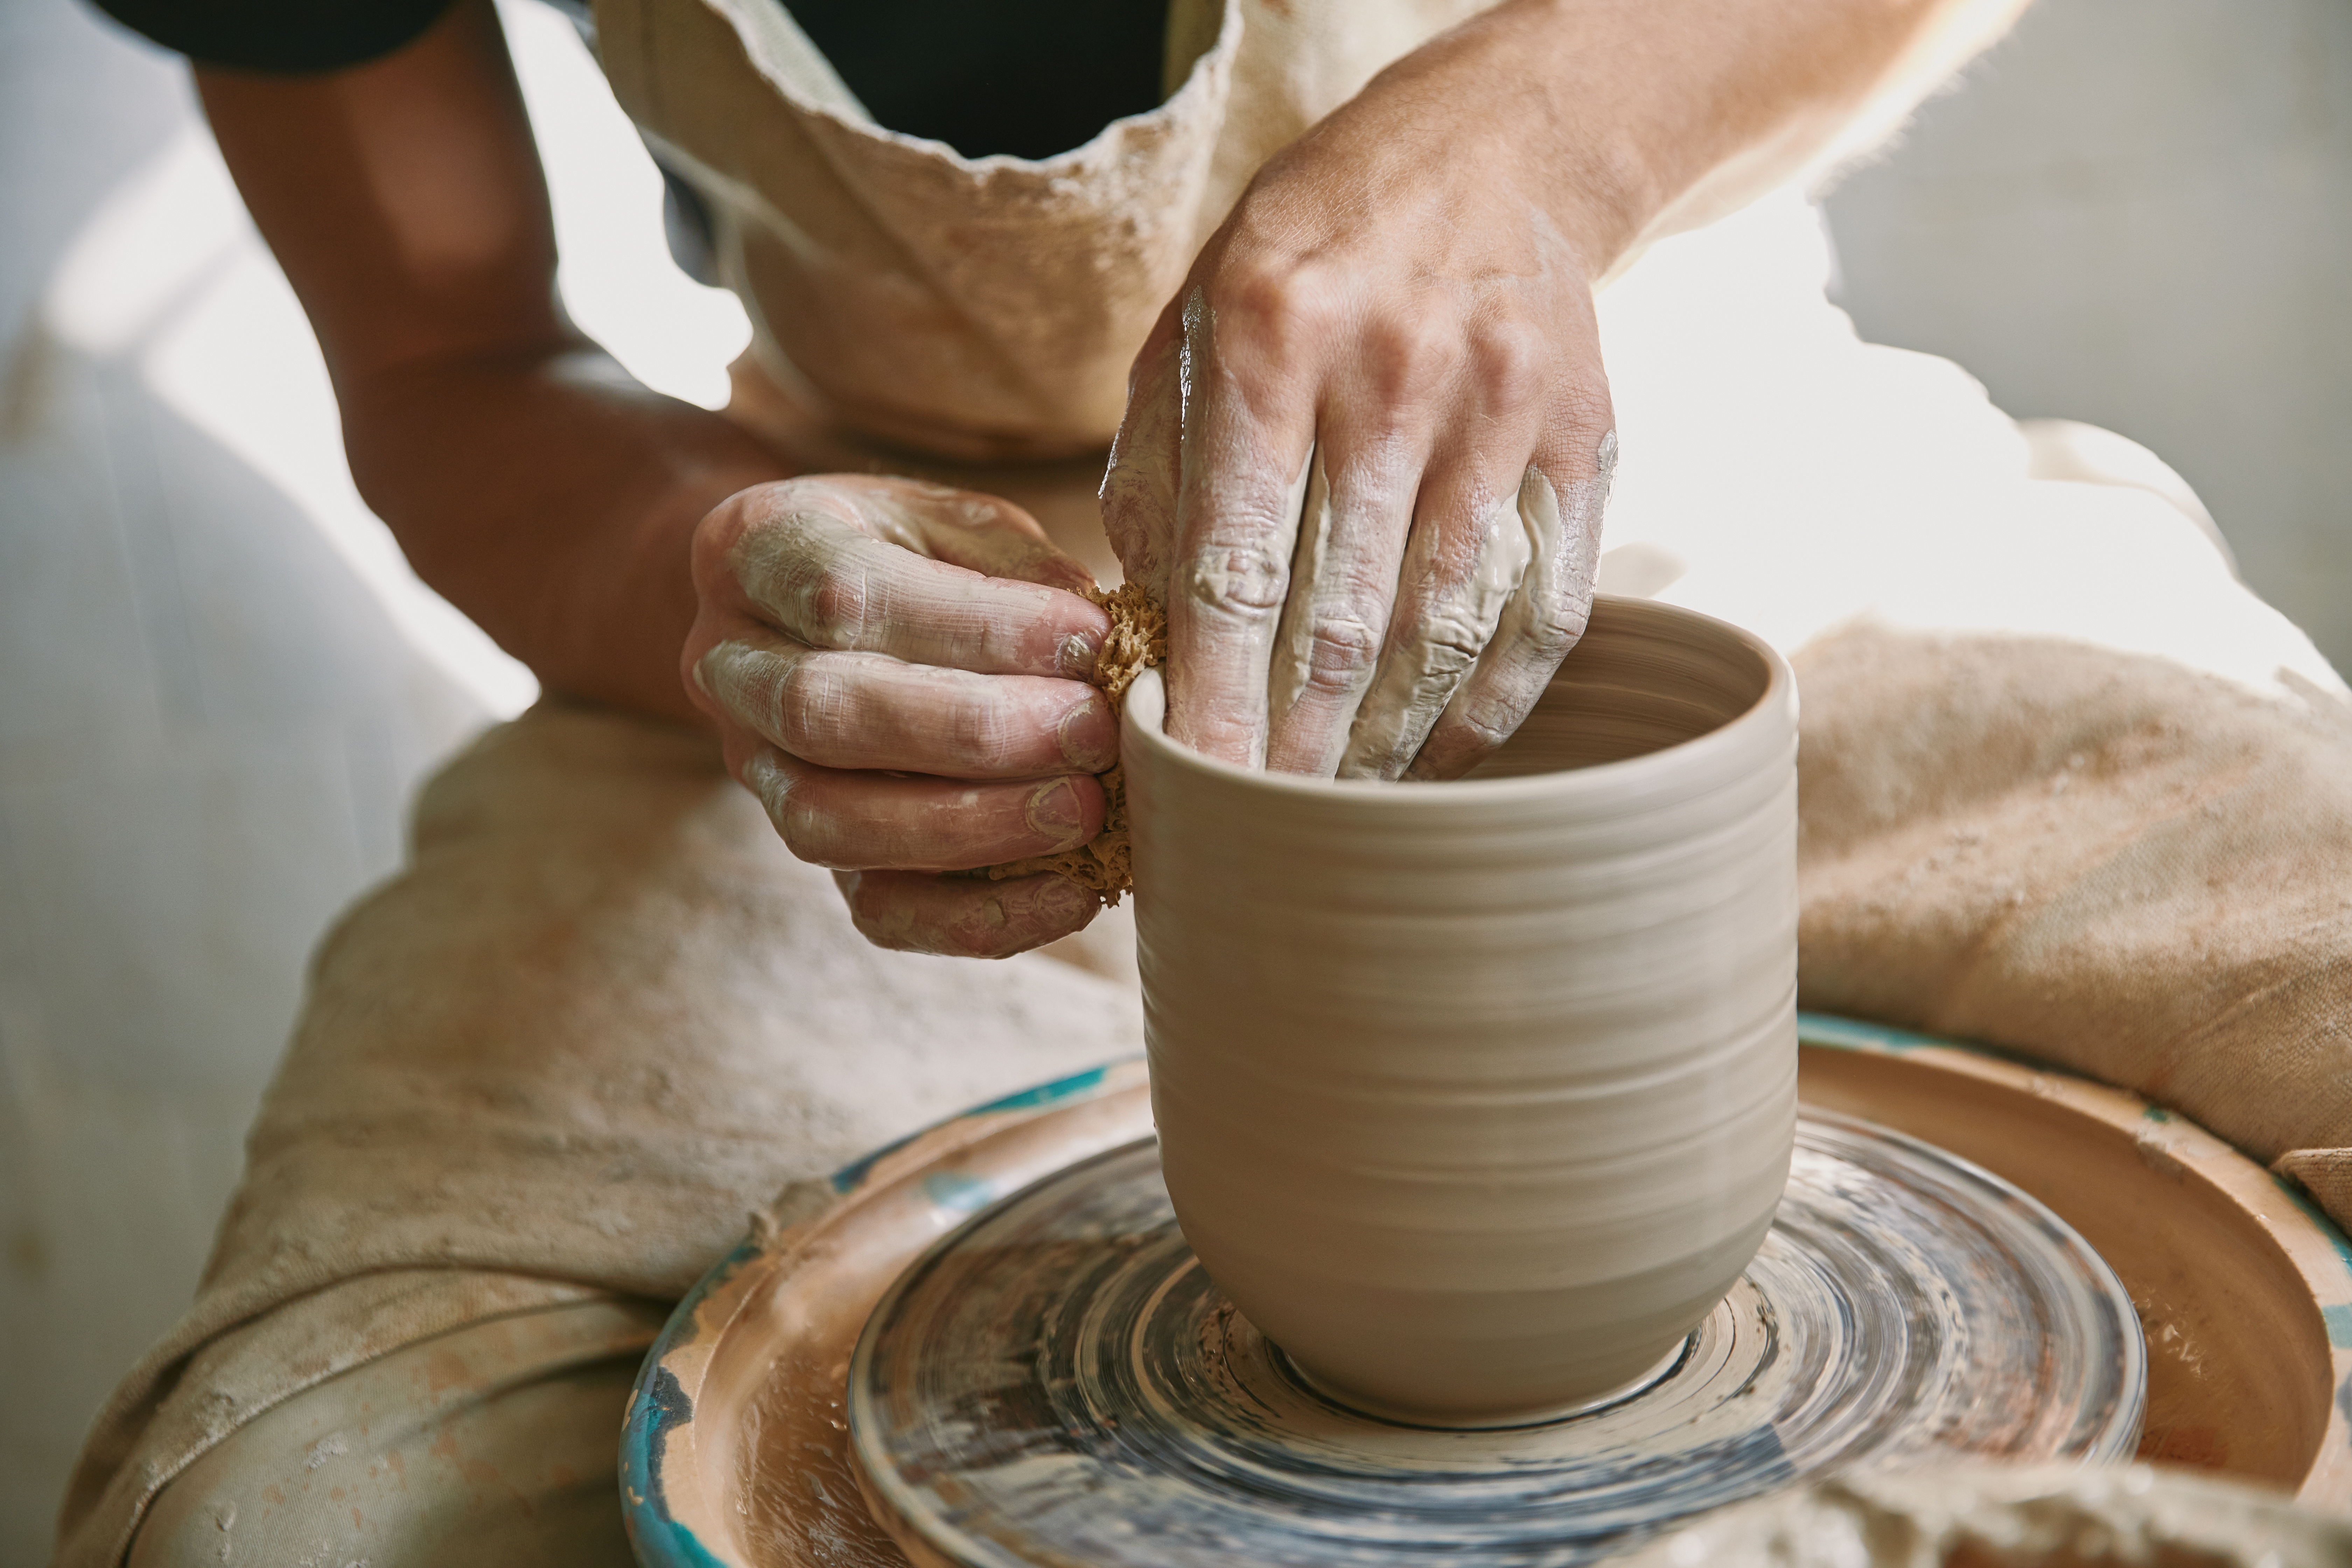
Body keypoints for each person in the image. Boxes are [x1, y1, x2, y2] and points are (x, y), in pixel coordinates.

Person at [56, 2, 2352, 1564]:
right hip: (916, 597)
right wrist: (720, 590)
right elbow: (454, 358)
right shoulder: (822, 611)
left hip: (1677, 416)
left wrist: (1541, 143)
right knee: (303, 1490)